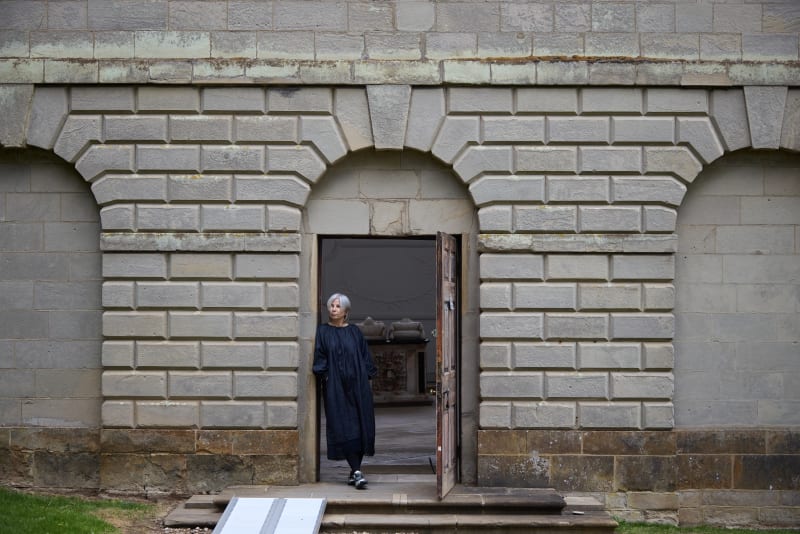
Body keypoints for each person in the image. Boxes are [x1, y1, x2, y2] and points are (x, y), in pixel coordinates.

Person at [313, 292, 377, 489]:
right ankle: (356, 472)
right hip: (336, 387)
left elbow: (365, 357)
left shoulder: (355, 332)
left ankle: (355, 471)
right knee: (343, 426)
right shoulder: (323, 331)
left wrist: (367, 378)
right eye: (331, 305)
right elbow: (320, 356)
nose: (333, 309)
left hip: (358, 386)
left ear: (346, 311)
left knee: (360, 425)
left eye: (337, 306)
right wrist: (325, 376)